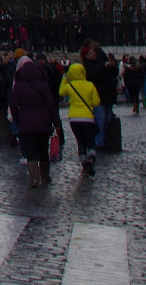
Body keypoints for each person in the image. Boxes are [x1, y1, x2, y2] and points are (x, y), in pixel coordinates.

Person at [9, 57, 62, 188]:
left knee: (31, 152)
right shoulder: (43, 85)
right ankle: (45, 176)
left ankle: (34, 178)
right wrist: (57, 123)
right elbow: (51, 105)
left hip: (26, 123)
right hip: (44, 123)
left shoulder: (19, 86)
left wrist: (17, 118)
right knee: (43, 150)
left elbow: (13, 104)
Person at [60, 61, 101, 178]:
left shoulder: (70, 86)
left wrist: (65, 79)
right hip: (88, 117)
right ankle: (91, 158)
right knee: (90, 141)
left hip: (74, 118)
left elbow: (61, 92)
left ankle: (84, 165)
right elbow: (96, 102)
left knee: (80, 141)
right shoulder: (90, 85)